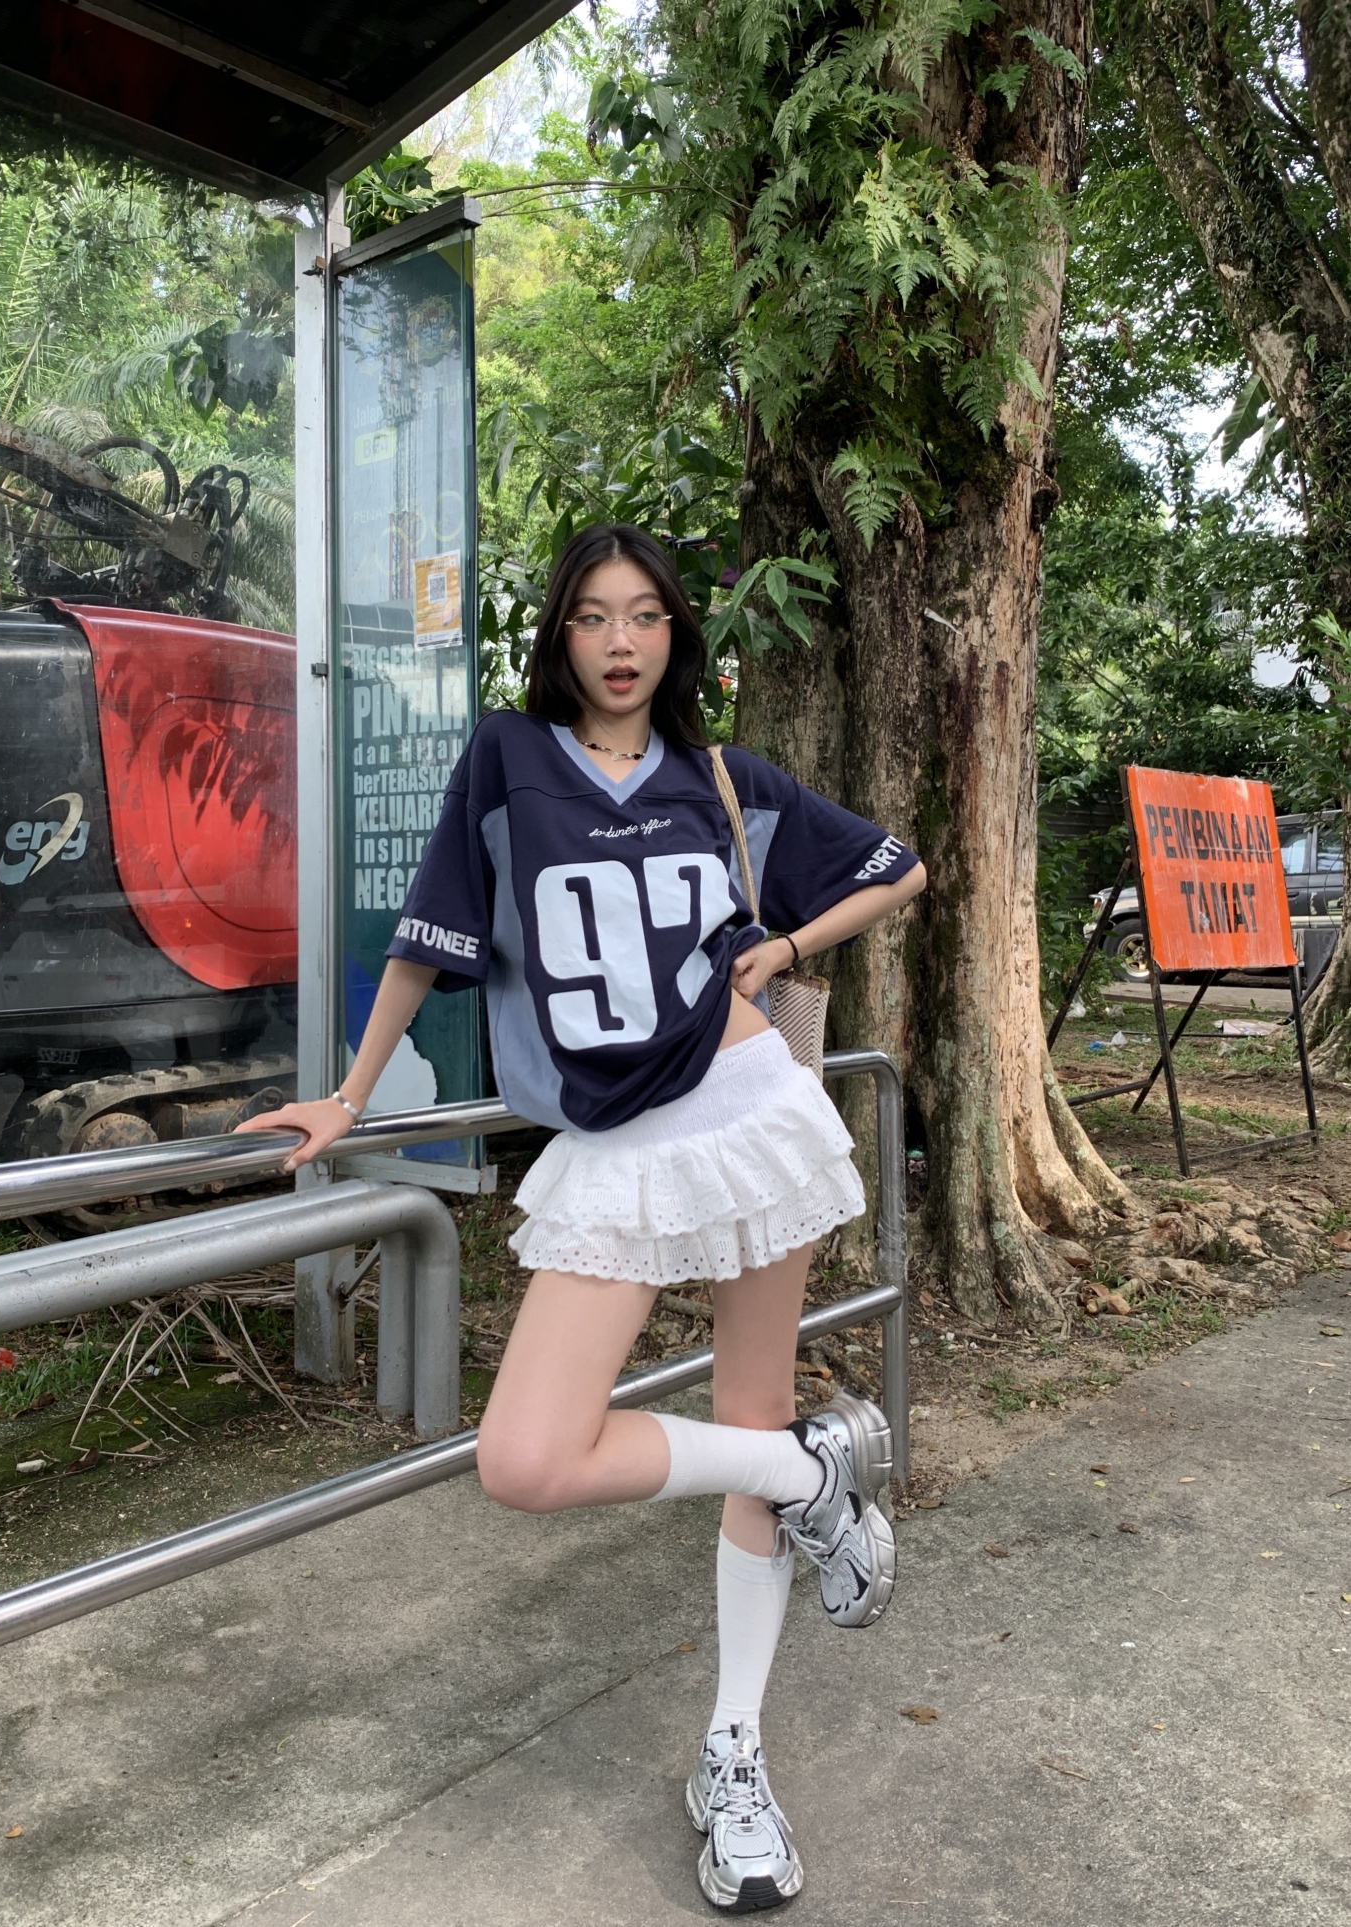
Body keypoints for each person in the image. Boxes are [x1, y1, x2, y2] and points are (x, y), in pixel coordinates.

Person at [241, 523, 926, 1912]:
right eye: (593, 618)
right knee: (530, 1457)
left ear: (677, 637)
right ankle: (812, 1475)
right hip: (614, 1147)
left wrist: (776, 949)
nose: (621, 643)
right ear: (557, 637)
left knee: (745, 1402)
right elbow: (432, 934)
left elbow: (898, 868)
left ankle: (734, 1754)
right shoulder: (506, 761)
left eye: (647, 618)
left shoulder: (719, 779)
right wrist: (347, 1094)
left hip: (748, 1121)